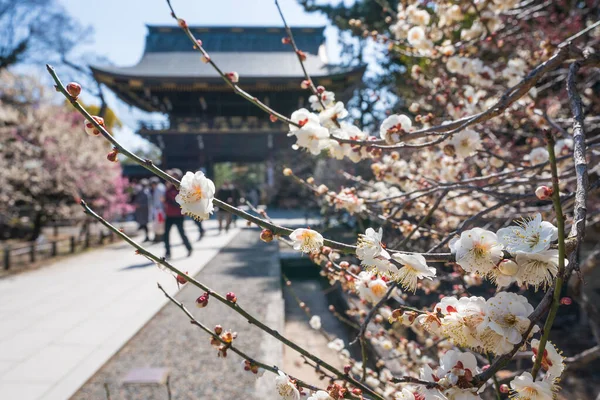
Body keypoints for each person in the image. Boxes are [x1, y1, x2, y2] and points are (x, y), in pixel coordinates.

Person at [163, 169, 193, 259]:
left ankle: (189, 248)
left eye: (175, 176)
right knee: (166, 234)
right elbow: (165, 199)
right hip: (169, 214)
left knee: (181, 232)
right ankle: (168, 252)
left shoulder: (183, 188)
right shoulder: (168, 188)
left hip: (179, 215)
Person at [150, 177, 166, 242]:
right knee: (157, 224)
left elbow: (162, 199)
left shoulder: (160, 188)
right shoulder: (159, 188)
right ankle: (158, 237)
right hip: (157, 208)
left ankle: (160, 237)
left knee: (159, 224)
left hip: (159, 209)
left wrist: (160, 208)